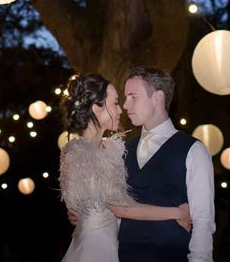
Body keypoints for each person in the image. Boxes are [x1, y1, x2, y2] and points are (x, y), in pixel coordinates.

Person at [59, 73, 191, 262]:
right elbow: (121, 208)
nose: (121, 110)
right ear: (97, 108)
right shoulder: (78, 153)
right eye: (115, 103)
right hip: (94, 250)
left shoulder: (112, 149)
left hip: (117, 245)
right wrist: (178, 213)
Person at [120, 66, 215, 262]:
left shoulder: (193, 150)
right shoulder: (123, 149)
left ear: (158, 97)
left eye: (133, 97)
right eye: (125, 97)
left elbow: (203, 220)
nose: (125, 105)